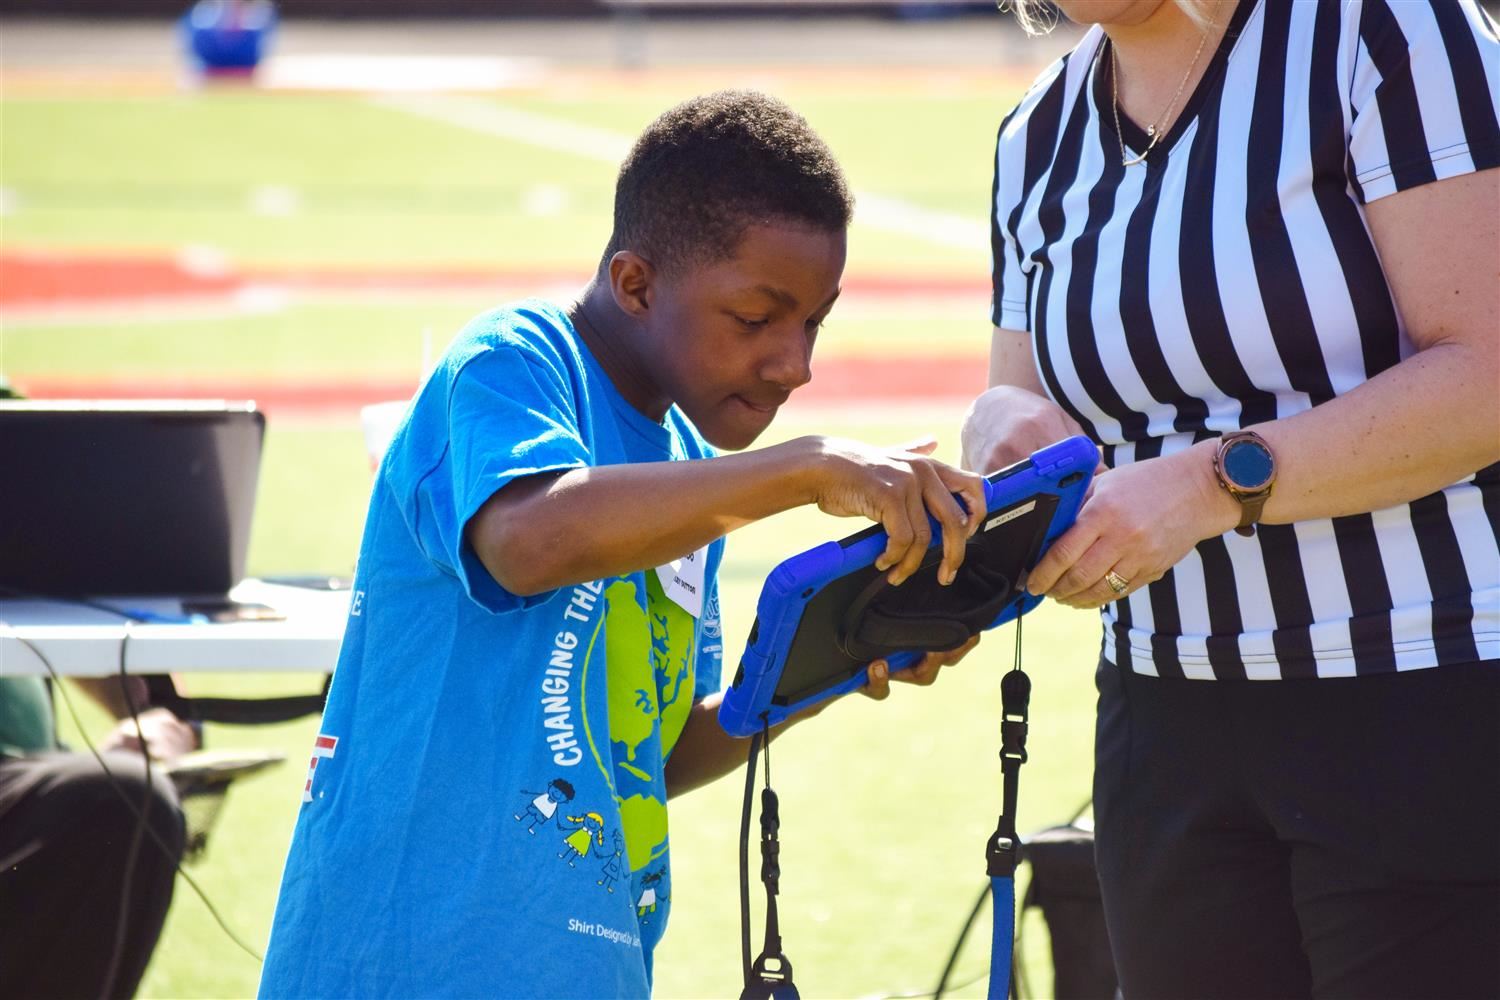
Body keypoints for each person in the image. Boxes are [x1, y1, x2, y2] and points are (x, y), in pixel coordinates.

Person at [258, 90, 986, 998]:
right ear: (636, 284)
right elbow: (530, 540)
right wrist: (804, 471)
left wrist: (827, 662)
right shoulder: (513, 359)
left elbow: (649, 754)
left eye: (814, 322)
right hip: (410, 961)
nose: (795, 363)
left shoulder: (685, 470)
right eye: (758, 319)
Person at [964, 1, 1499, 996]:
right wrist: (996, 422)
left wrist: (1209, 485)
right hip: (1163, 726)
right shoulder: (1035, 133)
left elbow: (1487, 378)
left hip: (1426, 693)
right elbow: (1023, 395)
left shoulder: (1382, 29)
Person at [0, 674, 195, 1000]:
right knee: (126, 793)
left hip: (34, 772)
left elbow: (70, 626)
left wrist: (157, 714)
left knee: (126, 795)